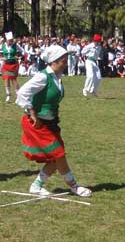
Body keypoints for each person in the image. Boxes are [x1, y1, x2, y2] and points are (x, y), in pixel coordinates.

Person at [15, 44, 92, 197]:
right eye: (63, 60)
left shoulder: (57, 78)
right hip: (37, 124)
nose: (66, 63)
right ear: (54, 61)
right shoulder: (43, 76)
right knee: (58, 154)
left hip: (50, 123)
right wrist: (32, 113)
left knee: (56, 157)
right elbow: (22, 92)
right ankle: (74, 186)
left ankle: (36, 185)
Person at [0, 32, 24, 103]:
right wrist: (0, 58)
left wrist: (19, 56)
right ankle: (8, 95)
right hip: (6, 64)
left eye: (11, 40)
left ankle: (18, 96)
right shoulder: (3, 46)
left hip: (14, 64)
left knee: (13, 80)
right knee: (6, 79)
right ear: (6, 40)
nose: (11, 42)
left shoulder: (15, 45)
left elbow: (23, 52)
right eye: (9, 41)